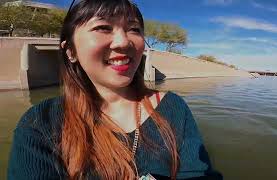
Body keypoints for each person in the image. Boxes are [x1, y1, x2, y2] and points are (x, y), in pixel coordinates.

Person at [7, 0, 223, 179]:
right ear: (70, 51)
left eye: (134, 29)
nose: (123, 41)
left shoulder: (173, 107)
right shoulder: (39, 124)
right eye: (102, 27)